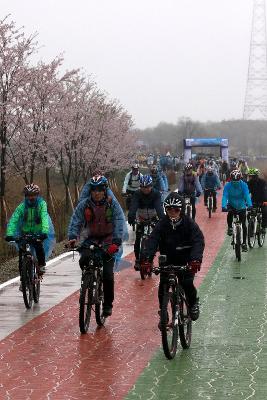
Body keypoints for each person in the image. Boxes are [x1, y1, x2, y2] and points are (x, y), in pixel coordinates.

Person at [68, 175, 127, 317]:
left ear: (105, 190)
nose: (97, 193)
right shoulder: (85, 204)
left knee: (107, 275)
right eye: (94, 190)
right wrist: (72, 237)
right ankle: (89, 280)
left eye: (100, 190)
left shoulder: (112, 204)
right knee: (84, 260)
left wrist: (117, 241)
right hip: (89, 239)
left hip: (108, 240)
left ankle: (107, 304)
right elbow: (76, 220)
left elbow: (119, 221)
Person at [143, 192, 205, 323]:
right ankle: (163, 310)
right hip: (168, 258)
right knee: (163, 285)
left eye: (176, 209)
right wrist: (147, 259)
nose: (173, 212)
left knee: (187, 283)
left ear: (181, 210)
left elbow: (198, 241)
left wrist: (195, 259)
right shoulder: (162, 224)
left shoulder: (189, 223)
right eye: (169, 209)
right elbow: (152, 240)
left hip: (186, 259)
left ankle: (193, 304)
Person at [5, 184, 53, 288]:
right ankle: (23, 279)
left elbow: (44, 217)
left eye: (33, 195)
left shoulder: (41, 205)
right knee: (22, 256)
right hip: (25, 233)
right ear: (25, 196)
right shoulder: (21, 207)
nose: (31, 197)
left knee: (39, 247)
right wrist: (9, 234)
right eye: (28, 195)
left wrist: (44, 232)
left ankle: (41, 266)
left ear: (37, 195)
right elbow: (14, 220)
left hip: (38, 232)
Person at [128, 175, 164, 270]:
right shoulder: (137, 194)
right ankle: (137, 259)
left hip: (153, 216)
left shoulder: (156, 194)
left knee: (157, 237)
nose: (145, 189)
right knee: (138, 238)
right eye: (143, 187)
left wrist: (162, 220)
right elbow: (133, 206)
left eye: (147, 187)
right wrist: (131, 217)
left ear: (151, 186)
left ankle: (154, 254)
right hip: (141, 217)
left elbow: (159, 208)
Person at [222, 169, 252, 252]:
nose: (235, 182)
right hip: (231, 205)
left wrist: (250, 205)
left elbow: (247, 195)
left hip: (242, 206)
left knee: (243, 224)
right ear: (231, 179)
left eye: (237, 180)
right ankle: (230, 227)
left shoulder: (244, 185)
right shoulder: (228, 185)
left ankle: (244, 243)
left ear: (240, 178)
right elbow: (225, 196)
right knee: (230, 213)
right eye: (233, 180)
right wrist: (223, 206)